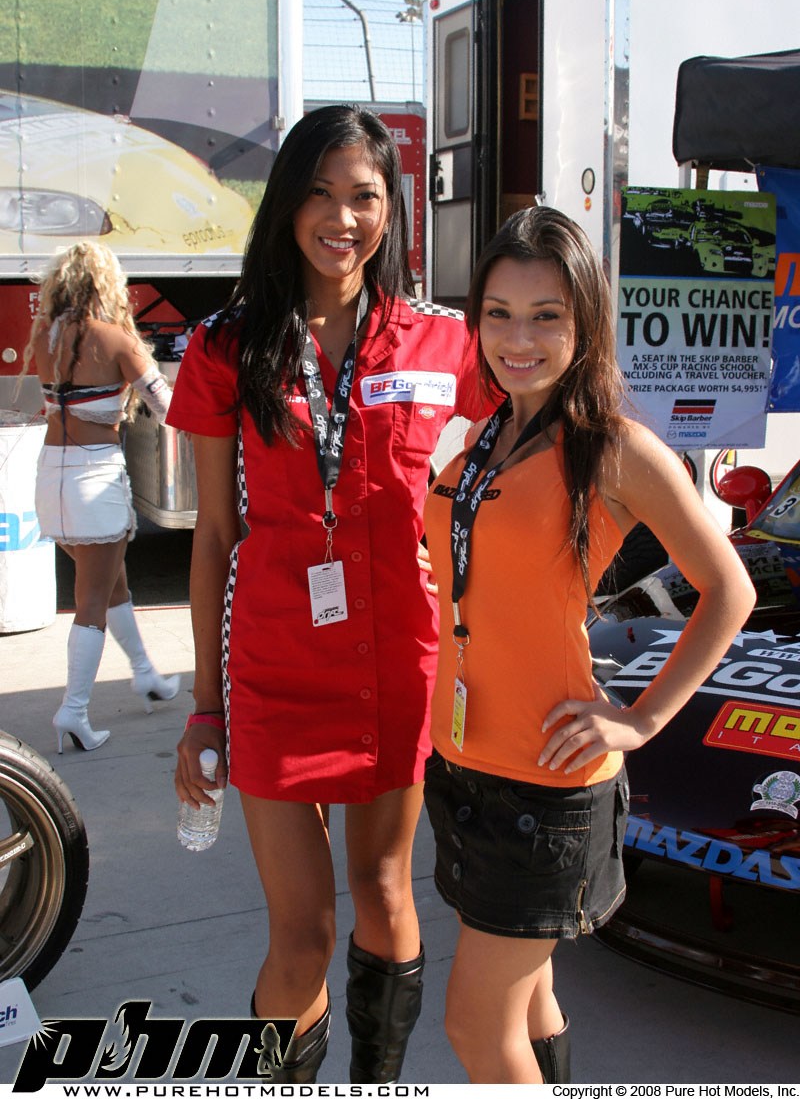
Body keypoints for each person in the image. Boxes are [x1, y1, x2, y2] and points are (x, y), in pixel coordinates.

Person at [168, 105, 484, 1083]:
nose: (341, 219)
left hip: (398, 662)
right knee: (301, 935)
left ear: (391, 210)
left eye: (363, 196)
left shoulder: (441, 341)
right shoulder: (226, 345)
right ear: (286, 203)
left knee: (386, 896)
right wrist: (205, 705)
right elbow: (214, 536)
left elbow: (511, 462)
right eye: (318, 193)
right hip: (273, 670)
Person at [422, 206, 756, 1084]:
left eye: (546, 316)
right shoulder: (487, 433)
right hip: (462, 766)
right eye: (499, 313)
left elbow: (730, 589)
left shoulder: (612, 447)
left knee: (474, 1028)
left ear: (586, 323)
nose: (517, 338)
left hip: (547, 787)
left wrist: (643, 719)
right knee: (529, 1003)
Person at [19, 242, 180, 754]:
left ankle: (145, 673)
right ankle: (74, 710)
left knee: (112, 583)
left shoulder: (45, 336)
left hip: (52, 475)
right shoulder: (116, 339)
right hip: (95, 478)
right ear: (107, 285)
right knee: (91, 599)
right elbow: (168, 408)